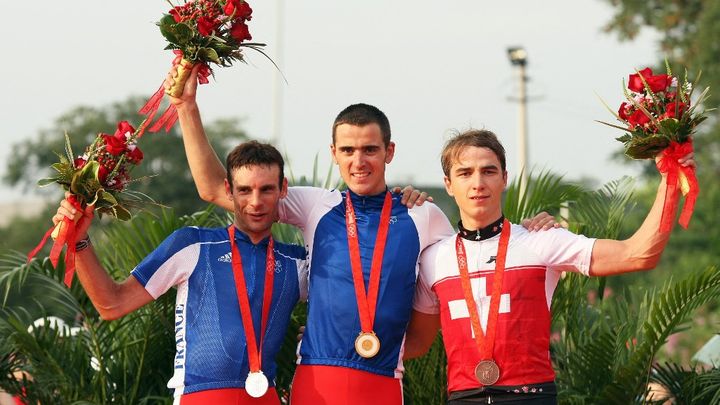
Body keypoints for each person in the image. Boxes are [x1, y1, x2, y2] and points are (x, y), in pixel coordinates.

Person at [164, 67, 558, 404]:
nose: (359, 161)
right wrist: (187, 108)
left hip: (384, 382)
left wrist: (532, 230)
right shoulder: (314, 205)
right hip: (316, 382)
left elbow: (475, 247)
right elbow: (217, 189)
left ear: (389, 151)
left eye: (370, 149)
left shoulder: (424, 214)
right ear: (333, 153)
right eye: (348, 150)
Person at [404, 129, 694, 404]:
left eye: (488, 171)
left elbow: (638, 254)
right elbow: (416, 343)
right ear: (448, 185)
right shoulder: (434, 259)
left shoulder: (541, 241)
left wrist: (670, 181)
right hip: (462, 398)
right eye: (465, 173)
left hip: (532, 397)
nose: (478, 183)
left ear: (505, 179)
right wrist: (362, 345)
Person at [53, 141, 308, 404]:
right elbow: (111, 305)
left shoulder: (296, 262)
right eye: (244, 190)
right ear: (228, 190)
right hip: (199, 396)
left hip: (266, 397)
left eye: (266, 189)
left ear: (283, 189)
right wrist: (79, 241)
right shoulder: (192, 245)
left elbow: (346, 297)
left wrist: (321, 333)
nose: (255, 202)